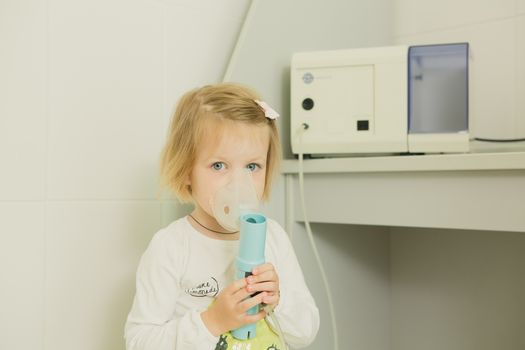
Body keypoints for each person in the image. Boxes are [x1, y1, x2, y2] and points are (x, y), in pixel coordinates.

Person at [124, 83, 319, 350]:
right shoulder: (171, 246)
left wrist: (278, 301)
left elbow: (305, 333)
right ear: (186, 170)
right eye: (219, 165)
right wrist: (211, 322)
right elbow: (139, 343)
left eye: (252, 166)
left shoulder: (274, 237)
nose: (239, 183)